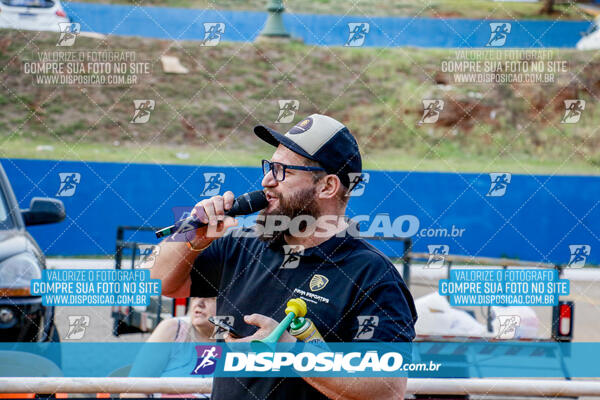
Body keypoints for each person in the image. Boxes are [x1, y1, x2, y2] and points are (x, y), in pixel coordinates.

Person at [150, 114, 418, 399]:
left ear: (327, 186)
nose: (266, 181)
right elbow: (164, 282)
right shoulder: (244, 245)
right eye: (269, 167)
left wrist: (291, 354)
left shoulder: (372, 275)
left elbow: (387, 390)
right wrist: (192, 236)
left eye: (282, 171)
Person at [124, 297, 216, 398]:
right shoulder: (174, 330)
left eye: (211, 298)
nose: (199, 303)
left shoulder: (232, 342)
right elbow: (132, 391)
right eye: (195, 297)